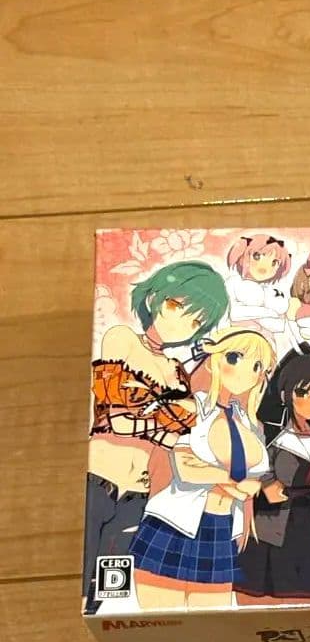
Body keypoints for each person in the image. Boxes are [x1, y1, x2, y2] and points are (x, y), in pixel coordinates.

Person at [85, 261, 228, 610]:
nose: (182, 323)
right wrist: (167, 416)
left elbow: (178, 434)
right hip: (98, 479)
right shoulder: (122, 338)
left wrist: (155, 413)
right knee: (82, 577)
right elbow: (118, 417)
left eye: (195, 321)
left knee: (105, 592)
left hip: (138, 494)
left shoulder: (177, 372)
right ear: (154, 298)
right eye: (177, 306)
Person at [129, 329, 275, 609]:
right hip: (176, 526)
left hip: (222, 531)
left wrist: (247, 487)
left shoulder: (251, 424)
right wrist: (233, 482)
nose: (247, 371)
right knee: (162, 619)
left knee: (214, 622)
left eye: (258, 366)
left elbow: (254, 482)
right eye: (235, 357)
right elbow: (186, 468)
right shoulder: (190, 408)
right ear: (213, 360)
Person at [235, 352, 310, 605]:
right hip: (270, 533)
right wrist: (267, 486)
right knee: (258, 607)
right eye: (304, 392)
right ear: (286, 394)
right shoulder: (269, 436)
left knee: (304, 610)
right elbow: (256, 475)